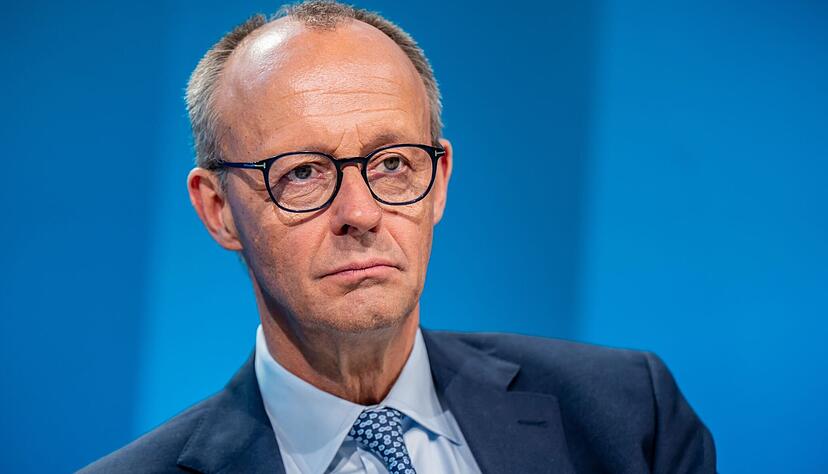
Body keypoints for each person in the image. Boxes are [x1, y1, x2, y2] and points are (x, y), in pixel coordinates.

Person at [81, 1, 716, 472]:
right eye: (302, 173)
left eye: (392, 165)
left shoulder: (629, 417)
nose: (359, 212)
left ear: (439, 181)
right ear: (218, 209)